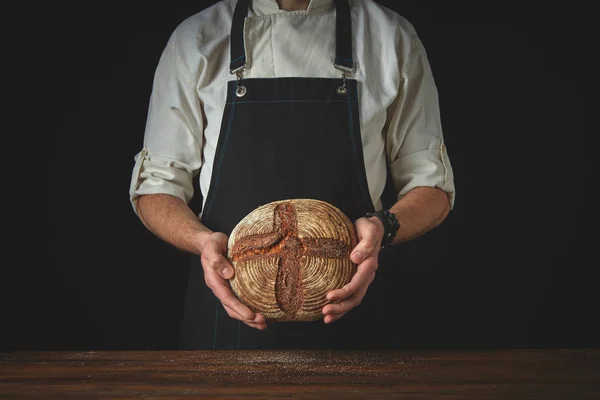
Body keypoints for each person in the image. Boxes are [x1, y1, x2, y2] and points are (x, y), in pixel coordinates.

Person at [129, 0, 455, 350]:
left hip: (352, 321)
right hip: (225, 327)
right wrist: (201, 242)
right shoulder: (197, 38)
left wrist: (383, 228)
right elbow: (156, 187)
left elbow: (432, 187)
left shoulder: (390, 37)